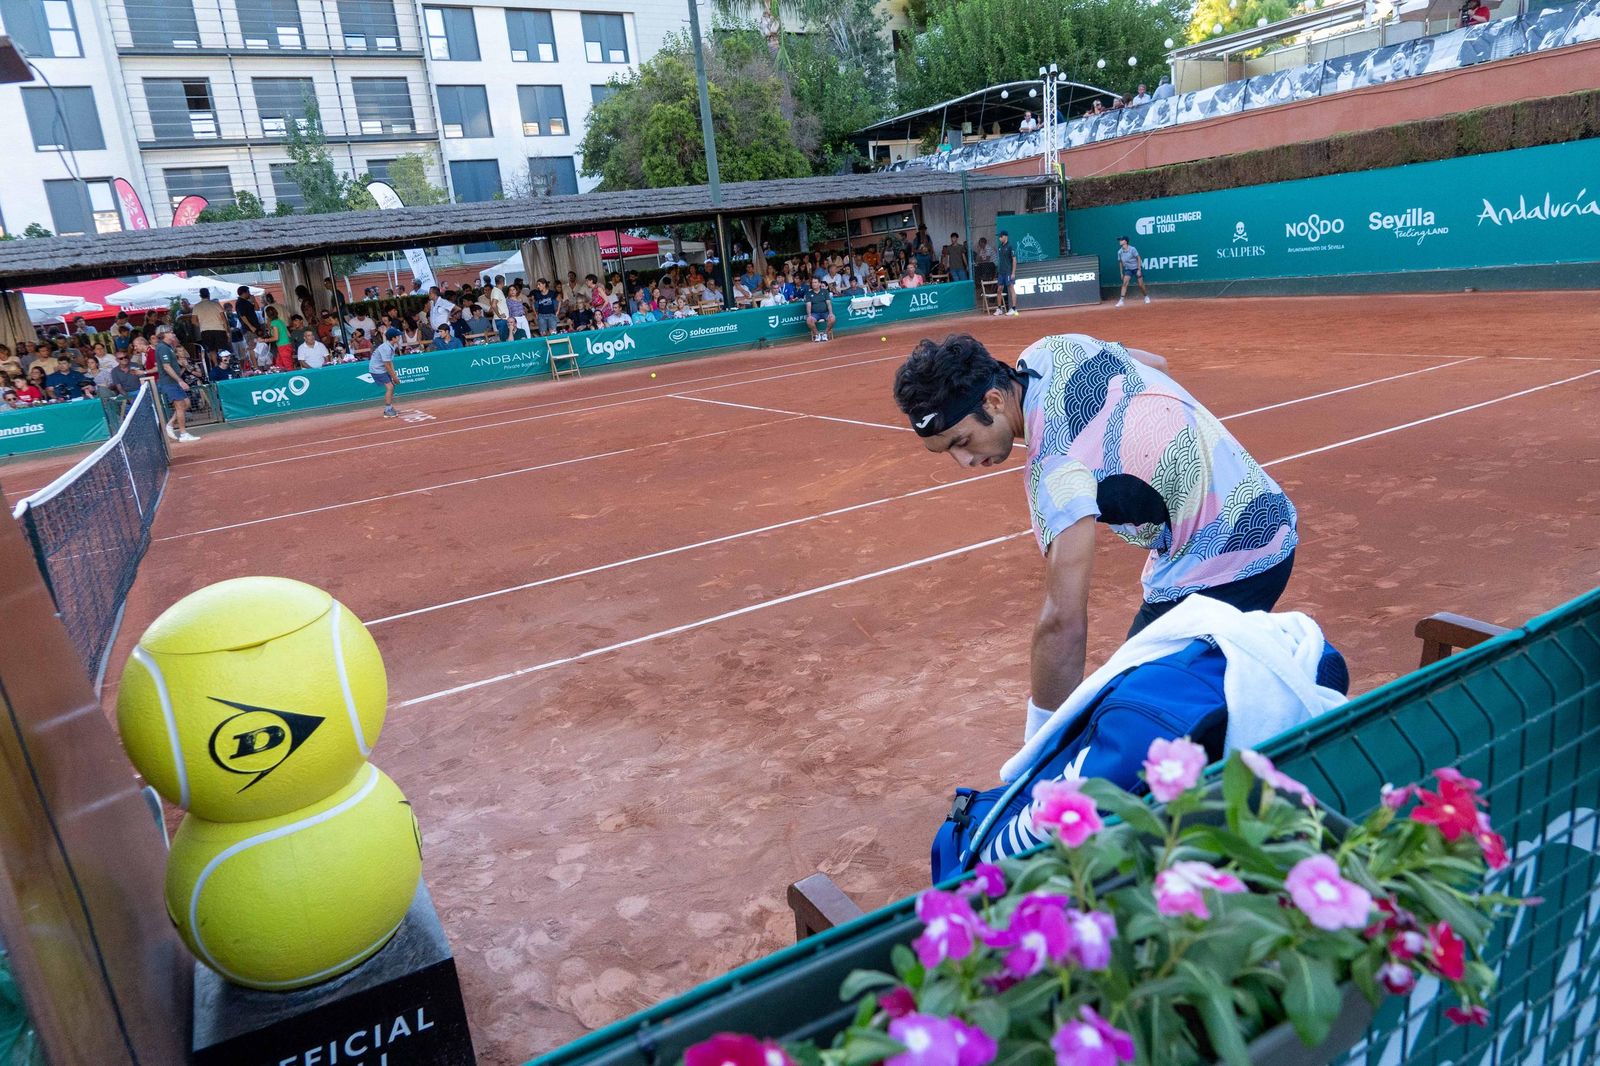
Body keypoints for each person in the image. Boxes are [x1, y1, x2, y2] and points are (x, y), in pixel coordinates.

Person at [893, 332, 1298, 718]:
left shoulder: (1056, 471)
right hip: (1264, 510)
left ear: (994, 400)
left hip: (1225, 565)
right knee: (1167, 697)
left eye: (961, 442)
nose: (963, 462)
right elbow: (1155, 364)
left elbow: (1062, 622)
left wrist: (1041, 744)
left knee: (1133, 715)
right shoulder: (1050, 351)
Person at [154, 329, 197, 441]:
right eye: (170, 332)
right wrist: (180, 381)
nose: (173, 334)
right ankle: (183, 434)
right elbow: (166, 367)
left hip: (173, 382)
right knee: (179, 406)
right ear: (163, 335)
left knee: (186, 403)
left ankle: (170, 425)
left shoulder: (168, 347)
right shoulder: (163, 347)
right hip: (169, 382)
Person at [369, 327, 400, 418]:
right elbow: (387, 365)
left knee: (391, 386)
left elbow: (390, 362)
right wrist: (394, 377)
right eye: (398, 336)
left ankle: (390, 407)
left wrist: (394, 375)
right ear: (393, 338)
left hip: (381, 368)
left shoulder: (392, 346)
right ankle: (387, 410)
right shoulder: (386, 348)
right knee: (390, 387)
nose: (399, 337)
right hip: (377, 369)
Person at [193, 287, 230, 358]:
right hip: (219, 329)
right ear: (209, 294)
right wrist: (227, 331)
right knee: (222, 349)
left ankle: (216, 365)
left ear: (200, 296)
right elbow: (223, 319)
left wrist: (202, 325)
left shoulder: (196, 306)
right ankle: (224, 364)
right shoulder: (216, 304)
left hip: (205, 330)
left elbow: (193, 321)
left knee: (211, 350)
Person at [1115, 236, 1150, 306]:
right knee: (1125, 283)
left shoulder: (1132, 249)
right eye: (1119, 240)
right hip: (1128, 269)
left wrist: (1139, 269)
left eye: (1121, 240)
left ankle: (1146, 297)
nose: (1120, 241)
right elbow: (1120, 263)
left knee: (1140, 285)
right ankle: (1121, 301)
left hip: (1136, 268)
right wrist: (1121, 273)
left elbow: (1138, 258)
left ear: (1125, 241)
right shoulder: (1119, 252)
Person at [993, 230, 1018, 316]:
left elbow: (1014, 260)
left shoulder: (1010, 246)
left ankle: (1014, 308)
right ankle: (999, 309)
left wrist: (1013, 273)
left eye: (1001, 236)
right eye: (999, 237)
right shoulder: (1000, 247)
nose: (999, 238)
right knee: (999, 289)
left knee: (1011, 288)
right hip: (1001, 272)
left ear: (1005, 237)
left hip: (1008, 271)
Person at [804, 277, 835, 342]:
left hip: (825, 313)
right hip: (815, 314)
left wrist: (830, 313)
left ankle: (825, 334)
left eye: (815, 282)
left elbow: (828, 303)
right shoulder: (809, 293)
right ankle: (817, 335)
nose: (814, 284)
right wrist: (809, 315)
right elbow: (808, 305)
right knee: (809, 321)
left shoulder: (825, 291)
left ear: (819, 283)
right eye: (812, 283)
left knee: (832, 319)